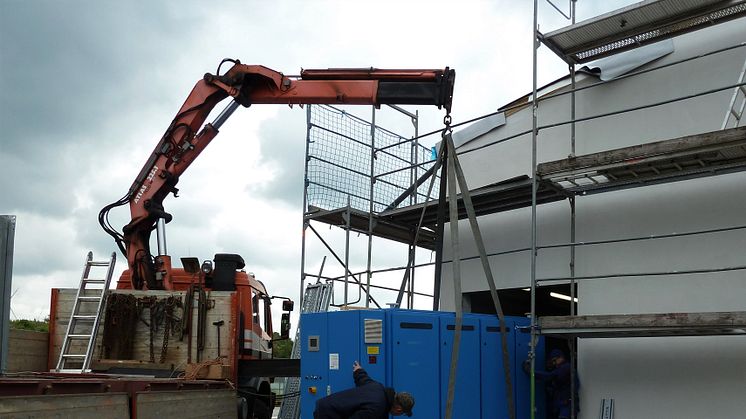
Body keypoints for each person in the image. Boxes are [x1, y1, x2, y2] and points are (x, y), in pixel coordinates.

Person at [314, 361, 415, 419]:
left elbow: (364, 379)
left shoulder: (378, 388)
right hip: (328, 414)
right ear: (399, 409)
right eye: (402, 413)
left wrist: (358, 370)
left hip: (325, 407)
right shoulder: (376, 409)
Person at [524, 349, 579, 419]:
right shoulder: (564, 368)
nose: (554, 363)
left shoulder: (565, 368)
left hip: (567, 405)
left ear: (561, 357)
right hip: (564, 404)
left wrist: (531, 373)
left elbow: (550, 376)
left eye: (555, 360)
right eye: (553, 361)